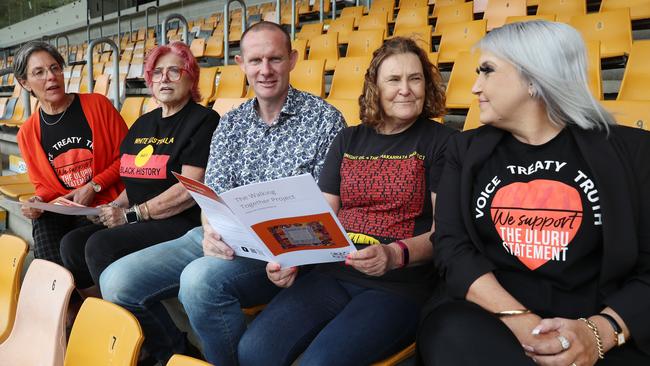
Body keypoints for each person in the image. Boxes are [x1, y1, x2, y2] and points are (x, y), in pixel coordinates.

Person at [100, 21, 346, 365]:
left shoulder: (326, 120)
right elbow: (210, 192)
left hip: (283, 251)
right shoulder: (231, 122)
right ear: (241, 64)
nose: (265, 70)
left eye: (274, 59)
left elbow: (328, 207)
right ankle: (177, 353)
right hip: (226, 236)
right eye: (255, 61)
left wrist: (294, 257)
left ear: (292, 60)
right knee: (116, 281)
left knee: (199, 282)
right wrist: (212, 229)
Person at [417, 21, 650, 366]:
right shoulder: (463, 150)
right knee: (450, 333)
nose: (475, 87)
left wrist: (601, 332)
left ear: (533, 78)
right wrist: (521, 321)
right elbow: (451, 247)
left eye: (487, 71)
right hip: (489, 318)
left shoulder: (634, 151)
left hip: (595, 320)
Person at [236, 37, 455, 366]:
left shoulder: (444, 142)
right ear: (375, 88)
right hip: (332, 274)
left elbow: (445, 234)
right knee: (254, 351)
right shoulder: (348, 139)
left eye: (416, 78)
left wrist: (394, 254)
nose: (406, 89)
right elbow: (321, 217)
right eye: (394, 80)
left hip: (398, 287)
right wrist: (291, 257)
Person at [58, 41, 219, 298]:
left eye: (174, 71)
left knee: (100, 246)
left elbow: (189, 189)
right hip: (138, 217)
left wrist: (132, 215)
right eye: (157, 72)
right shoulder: (143, 124)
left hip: (180, 222)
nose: (164, 78)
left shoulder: (204, 120)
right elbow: (133, 183)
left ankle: (157, 335)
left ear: (192, 78)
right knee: (72, 244)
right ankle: (100, 309)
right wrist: (113, 208)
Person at [15, 41, 126, 271]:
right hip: (66, 207)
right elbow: (44, 187)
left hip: (104, 206)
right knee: (42, 224)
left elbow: (128, 160)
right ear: (25, 83)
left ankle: (83, 299)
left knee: (71, 244)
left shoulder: (98, 105)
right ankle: (67, 302)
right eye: (40, 72)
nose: (51, 77)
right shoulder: (27, 133)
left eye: (55, 68)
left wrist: (94, 185)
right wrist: (37, 203)